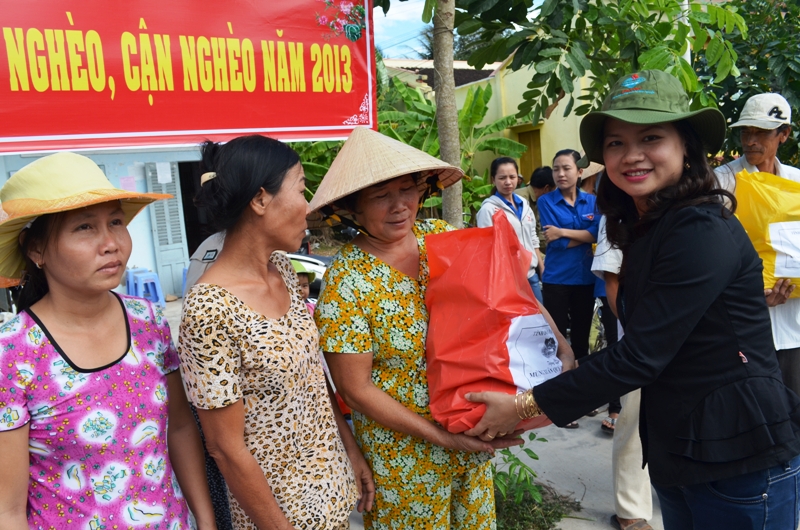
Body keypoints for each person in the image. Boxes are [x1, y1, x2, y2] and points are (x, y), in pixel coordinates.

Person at [465, 70, 800, 529]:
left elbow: (641, 355)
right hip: (680, 449)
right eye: (616, 142)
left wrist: (523, 406)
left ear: (686, 146)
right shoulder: (646, 224)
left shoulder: (699, 229)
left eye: (651, 138)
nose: (632, 155)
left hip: (738, 456)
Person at [310, 127, 527, 529]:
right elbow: (355, 390)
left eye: (407, 189)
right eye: (380, 196)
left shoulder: (441, 239)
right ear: (352, 209)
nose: (399, 206)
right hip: (402, 455)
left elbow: (503, 298)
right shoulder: (347, 280)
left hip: (469, 432)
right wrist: (442, 438)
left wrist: (554, 343)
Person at [0, 152, 217, 529]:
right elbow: (8, 509)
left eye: (116, 222)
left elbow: (181, 429)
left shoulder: (147, 319)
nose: (111, 243)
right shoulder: (13, 351)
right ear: (35, 249)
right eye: (84, 227)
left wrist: (207, 520)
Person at [177, 135, 373, 530]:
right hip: (280, 516)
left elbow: (311, 377)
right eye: (301, 189)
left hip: (334, 495)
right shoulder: (208, 309)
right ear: (260, 200)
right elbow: (224, 448)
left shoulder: (281, 268)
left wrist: (349, 449)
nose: (309, 205)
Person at [715, 93, 800, 396]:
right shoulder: (723, 182)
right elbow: (711, 253)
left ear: (784, 134)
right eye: (745, 131)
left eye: (761, 132)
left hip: (793, 328)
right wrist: (750, 294)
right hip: (742, 328)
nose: (750, 140)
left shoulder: (796, 182)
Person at [593, 217, 654, 530]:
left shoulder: (695, 205)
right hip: (641, 335)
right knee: (634, 416)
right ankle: (631, 506)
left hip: (694, 332)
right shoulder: (619, 214)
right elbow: (612, 278)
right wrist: (637, 333)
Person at [538, 150, 600, 377]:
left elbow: (597, 235)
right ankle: (555, 388)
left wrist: (563, 232)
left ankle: (581, 389)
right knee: (555, 339)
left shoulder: (592, 202)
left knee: (582, 337)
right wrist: (584, 235)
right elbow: (557, 243)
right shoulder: (546, 201)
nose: (560, 174)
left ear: (580, 171)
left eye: (566, 168)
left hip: (585, 278)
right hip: (557, 280)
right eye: (556, 169)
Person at [476, 157, 544, 302]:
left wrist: (541, 266)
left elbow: (533, 237)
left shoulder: (524, 204)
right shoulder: (488, 209)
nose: (508, 182)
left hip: (531, 275)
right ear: (493, 180)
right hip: (508, 280)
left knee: (541, 321)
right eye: (502, 178)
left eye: (512, 177)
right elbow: (486, 248)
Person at [515, 166, 555, 259]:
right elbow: (523, 238)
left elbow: (537, 233)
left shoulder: (537, 201)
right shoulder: (520, 199)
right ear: (546, 188)